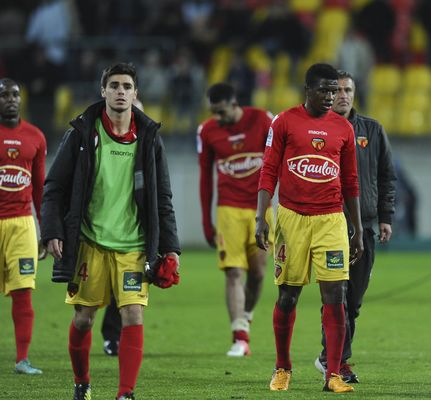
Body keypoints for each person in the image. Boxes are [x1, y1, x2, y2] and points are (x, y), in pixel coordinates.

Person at [41, 62, 180, 400]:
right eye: (114, 85)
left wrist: (171, 248)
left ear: (136, 94)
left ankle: (125, 393)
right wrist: (52, 231)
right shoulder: (82, 133)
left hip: (133, 246)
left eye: (127, 86)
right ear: (103, 91)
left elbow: (162, 196)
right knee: (84, 319)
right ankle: (82, 382)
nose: (120, 91)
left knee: (132, 314)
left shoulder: (148, 138)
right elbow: (55, 187)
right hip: (90, 243)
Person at [255, 63, 364, 393]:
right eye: (324, 90)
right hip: (292, 219)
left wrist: (357, 227)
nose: (331, 96)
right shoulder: (285, 121)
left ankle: (333, 374)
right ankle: (282, 368)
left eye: (335, 90)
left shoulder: (343, 128)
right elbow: (269, 170)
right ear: (308, 90)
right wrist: (261, 217)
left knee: (336, 295)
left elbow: (350, 181)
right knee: (288, 296)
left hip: (331, 220)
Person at [314, 70, 396, 384]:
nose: (343, 95)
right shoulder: (317, 129)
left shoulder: (372, 131)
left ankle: (332, 357)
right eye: (338, 90)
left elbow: (387, 176)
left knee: (354, 301)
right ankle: (335, 360)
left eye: (349, 89)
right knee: (337, 296)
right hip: (329, 225)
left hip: (366, 227)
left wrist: (385, 216)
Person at [197, 82, 273, 357]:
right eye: (213, 112)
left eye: (221, 112)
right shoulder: (206, 131)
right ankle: (240, 336)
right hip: (228, 210)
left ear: (234, 103)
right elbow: (205, 177)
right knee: (233, 272)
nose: (217, 118)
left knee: (259, 274)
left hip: (260, 209)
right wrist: (207, 220)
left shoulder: (263, 120)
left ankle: (247, 315)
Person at [0, 78, 46, 375]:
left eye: (15, 94)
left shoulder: (36, 137)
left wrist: (46, 230)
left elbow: (41, 187)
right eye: (4, 95)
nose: (10, 99)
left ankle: (22, 359)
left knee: (23, 291)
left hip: (22, 226)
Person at [101, 98, 145, 358]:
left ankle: (114, 338)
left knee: (130, 299)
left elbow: (159, 195)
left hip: (133, 234)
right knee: (90, 305)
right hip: (99, 231)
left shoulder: (148, 146)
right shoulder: (101, 144)